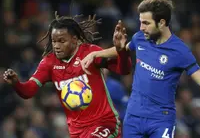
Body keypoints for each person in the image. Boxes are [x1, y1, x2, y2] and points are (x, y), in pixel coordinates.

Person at [80, 0, 200, 138]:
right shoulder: (141, 38)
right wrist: (96, 54)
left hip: (161, 120)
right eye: (141, 22)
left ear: (162, 23)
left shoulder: (180, 51)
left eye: (146, 23)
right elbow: (122, 49)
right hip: (133, 117)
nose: (141, 27)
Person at [3, 12, 131, 138]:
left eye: (62, 41)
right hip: (76, 131)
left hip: (105, 123)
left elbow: (124, 70)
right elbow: (28, 91)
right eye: (54, 41)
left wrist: (121, 52)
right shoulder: (49, 63)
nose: (56, 46)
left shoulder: (90, 52)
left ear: (74, 40)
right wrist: (16, 83)